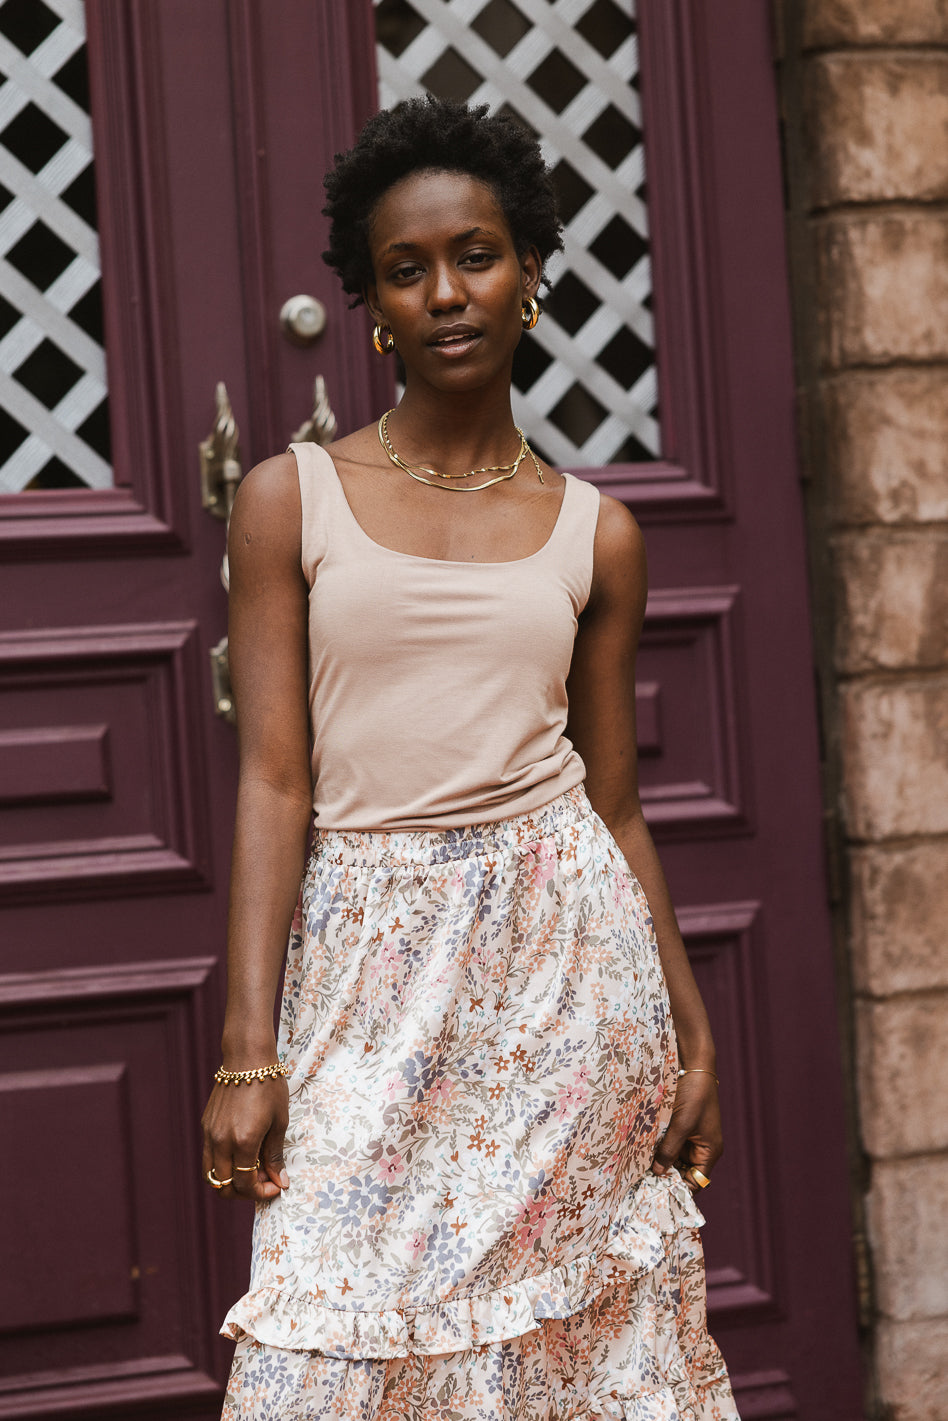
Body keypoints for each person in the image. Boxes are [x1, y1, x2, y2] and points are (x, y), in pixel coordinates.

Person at [202, 96, 738, 1421]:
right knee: (331, 1348)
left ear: (531, 274)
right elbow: (274, 779)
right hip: (368, 975)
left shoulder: (597, 532)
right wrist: (246, 1045)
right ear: (373, 301)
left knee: (568, 1355)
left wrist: (684, 1012)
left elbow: (613, 802)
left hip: (563, 978)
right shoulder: (288, 498)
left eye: (477, 254)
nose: (447, 291)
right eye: (407, 267)